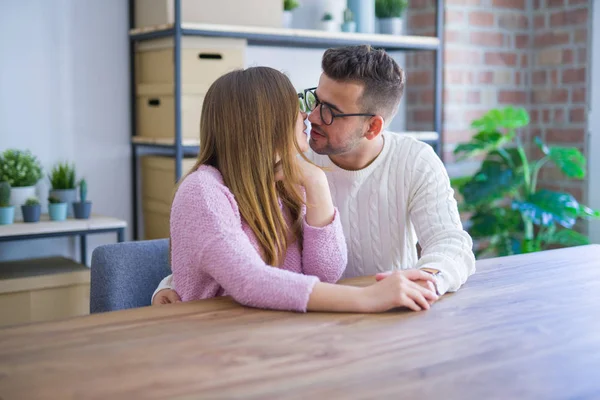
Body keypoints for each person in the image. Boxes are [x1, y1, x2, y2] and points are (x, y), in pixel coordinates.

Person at [155, 45, 475, 308]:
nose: (310, 116)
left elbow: (449, 243)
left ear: (373, 126)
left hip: (370, 311)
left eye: (331, 111)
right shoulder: (286, 160)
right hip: (300, 319)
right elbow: (237, 257)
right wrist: (174, 282)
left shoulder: (412, 161)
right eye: (313, 100)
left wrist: (424, 281)